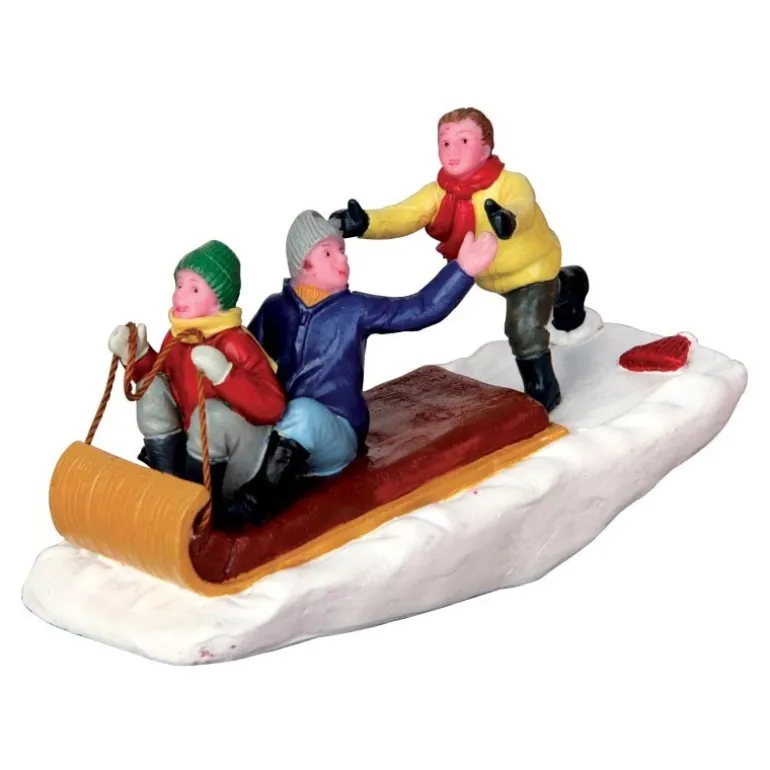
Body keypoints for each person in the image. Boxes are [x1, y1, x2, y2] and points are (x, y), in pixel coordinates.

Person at [237, 209, 497, 522]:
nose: (342, 260)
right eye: (328, 253)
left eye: (342, 251)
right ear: (303, 263)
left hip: (335, 434)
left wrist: (462, 271)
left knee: (303, 414)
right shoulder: (274, 309)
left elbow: (419, 309)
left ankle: (259, 502)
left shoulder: (355, 309)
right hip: (277, 427)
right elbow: (245, 357)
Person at [330, 106, 589, 413]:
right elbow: (405, 215)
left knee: (522, 327)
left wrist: (508, 219)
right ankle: (569, 285)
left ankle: (543, 392)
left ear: (486, 147)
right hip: (488, 274)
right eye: (445, 142)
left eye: (463, 141)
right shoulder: (439, 193)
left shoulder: (510, 183)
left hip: (531, 268)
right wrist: (365, 222)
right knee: (543, 300)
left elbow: (524, 206)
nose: (452, 151)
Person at [107, 240, 286, 523]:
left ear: (219, 300)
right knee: (150, 390)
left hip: (237, 460)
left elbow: (273, 407)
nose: (180, 296)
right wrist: (138, 358)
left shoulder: (236, 343)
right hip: (191, 450)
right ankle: (169, 488)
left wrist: (226, 375)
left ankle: (198, 509)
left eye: (194, 289)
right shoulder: (177, 338)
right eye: (179, 285)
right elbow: (165, 382)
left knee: (213, 413)